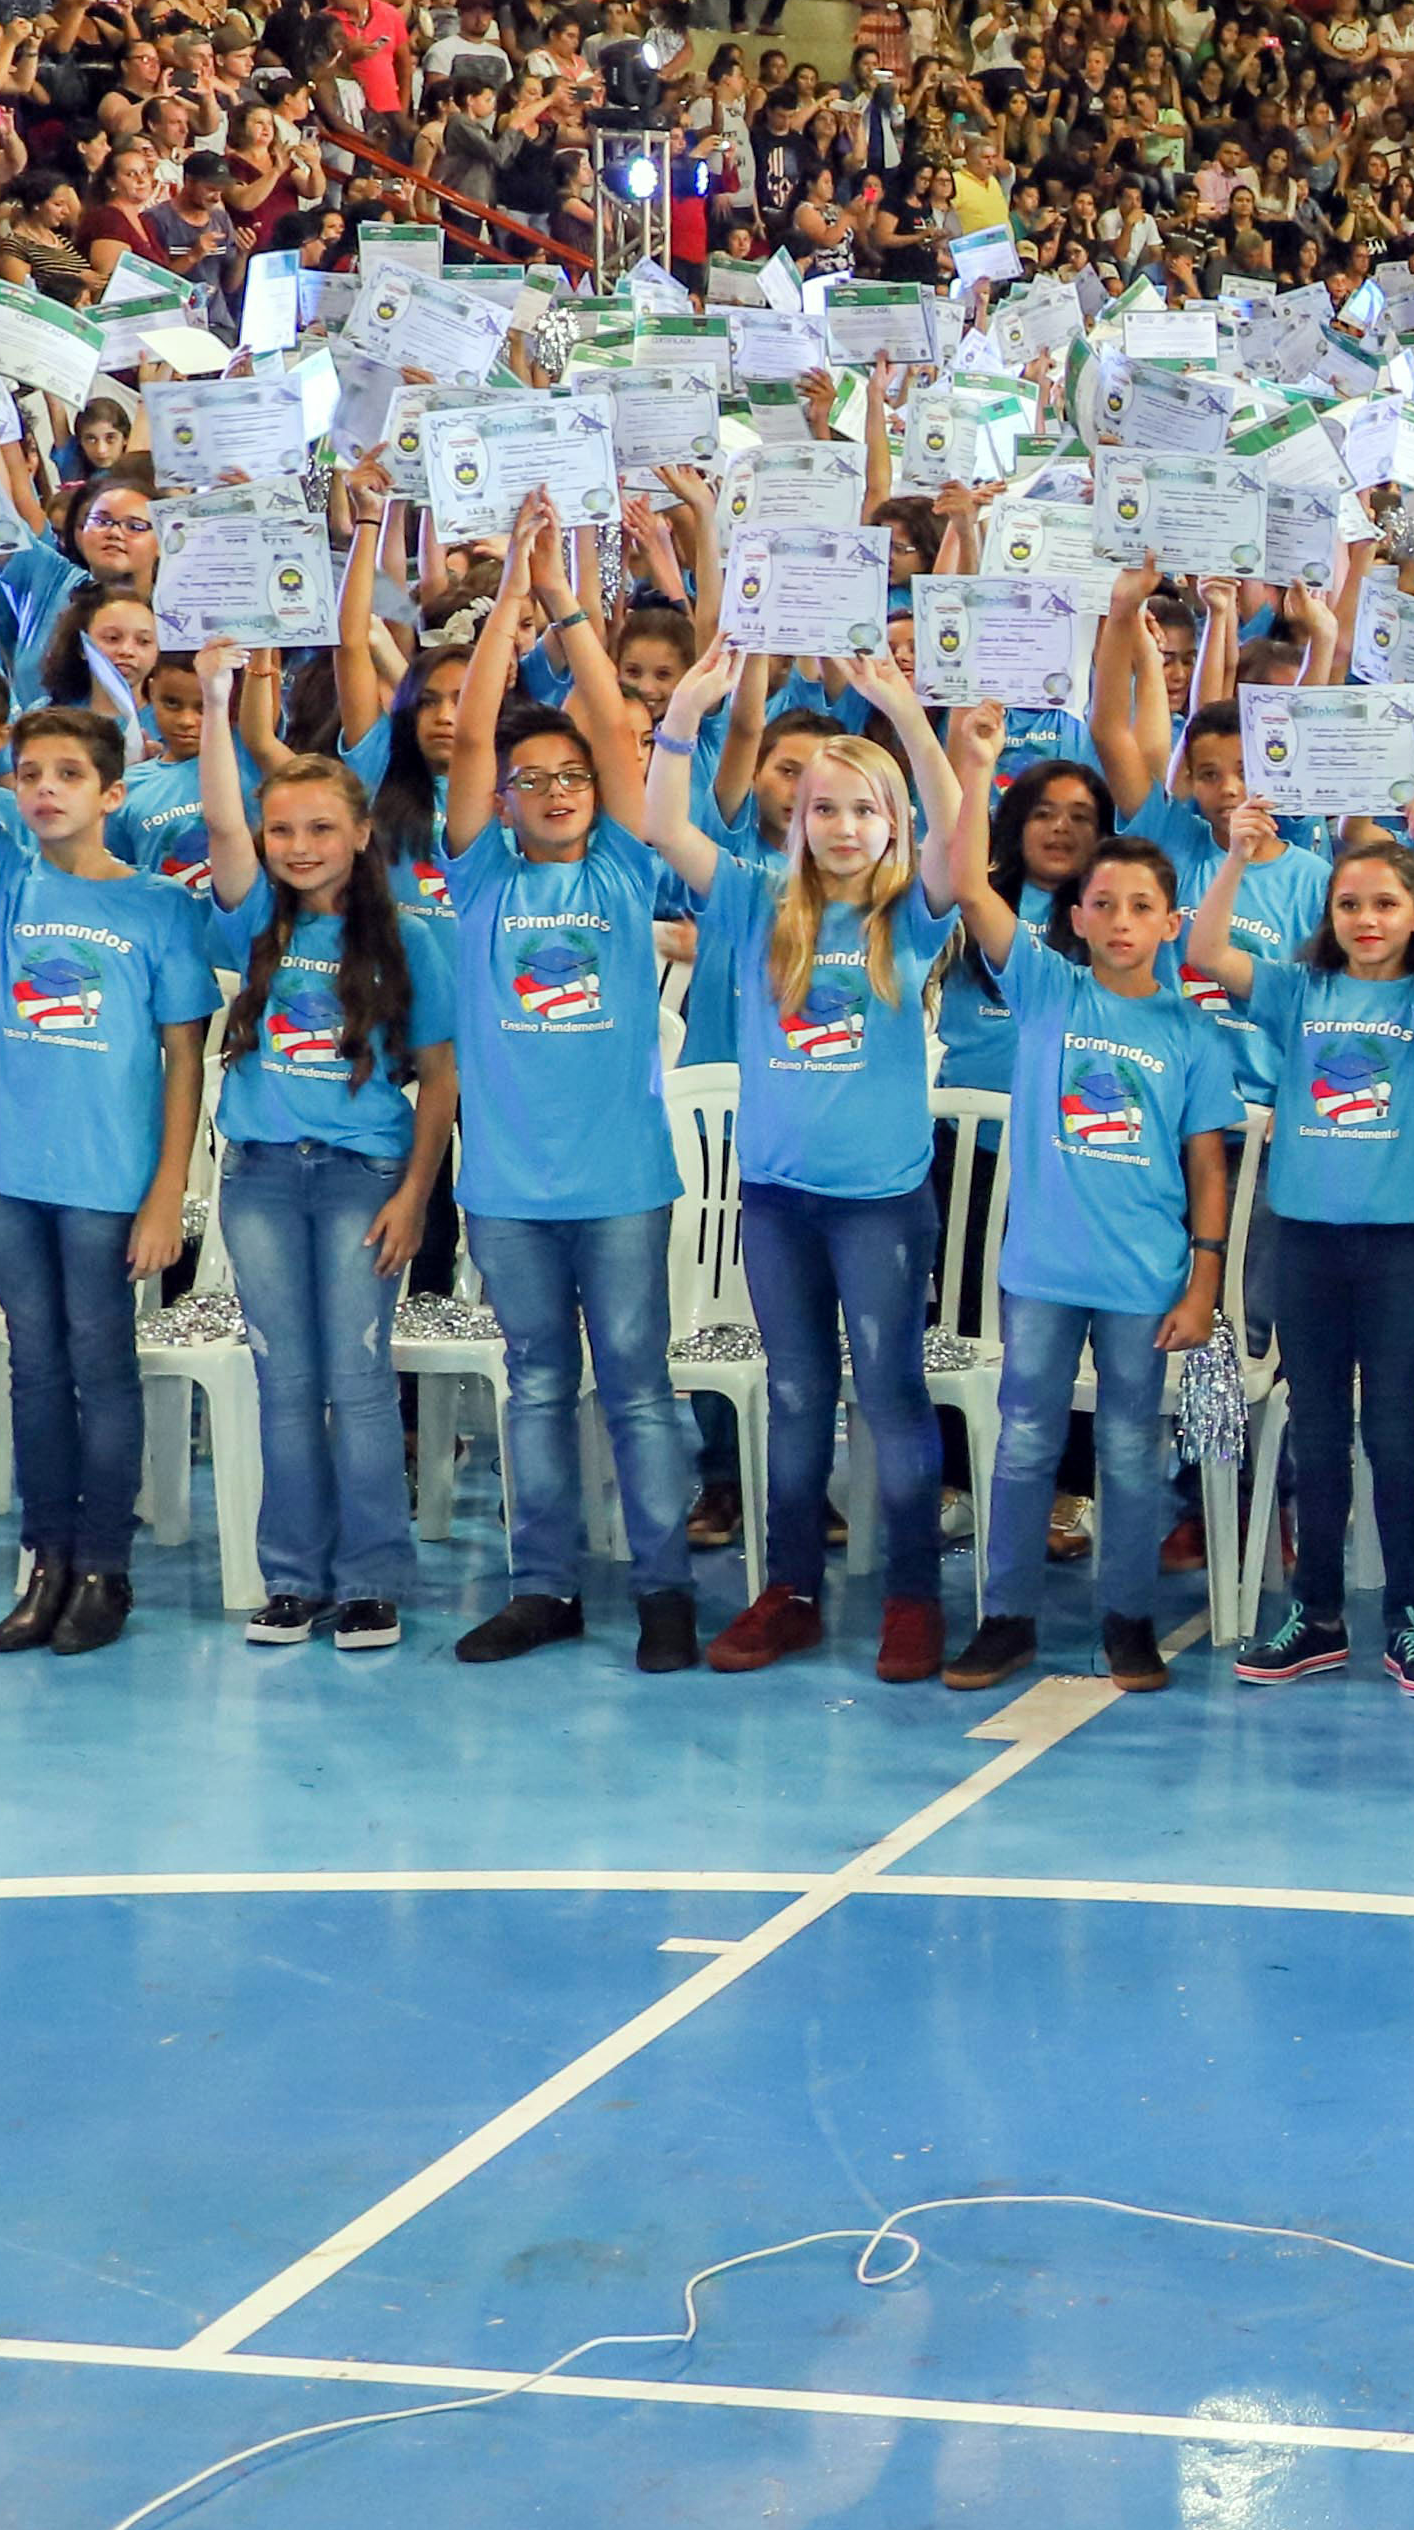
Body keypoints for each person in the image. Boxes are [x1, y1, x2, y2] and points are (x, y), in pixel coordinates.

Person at [0, 564, 211, 1658]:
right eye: (31, 775)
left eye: (70, 774)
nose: (46, 789)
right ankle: (46, 1560)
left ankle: (105, 1569)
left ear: (113, 792)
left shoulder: (160, 909)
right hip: (9, 1170)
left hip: (113, 1180)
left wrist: (168, 1191)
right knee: (34, 1366)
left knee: (101, 1365)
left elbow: (182, 1061)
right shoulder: (5, 880)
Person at [636, 660, 975, 1682]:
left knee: (890, 1394)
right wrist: (684, 717)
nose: (838, 825)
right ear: (795, 816)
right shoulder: (752, 901)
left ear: (891, 821)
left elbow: (958, 836)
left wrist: (914, 719)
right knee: (793, 1396)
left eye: (861, 809)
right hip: (777, 1201)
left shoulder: (909, 910)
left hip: (878, 1206)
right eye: (821, 805)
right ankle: (789, 1592)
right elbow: (663, 827)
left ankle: (912, 1598)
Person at [430, 512, 712, 1668]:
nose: (552, 788)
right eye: (528, 779)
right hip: (506, 1189)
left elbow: (608, 721)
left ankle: (664, 1591)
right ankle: (541, 1586)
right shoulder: (482, 870)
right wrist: (506, 615)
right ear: (500, 801)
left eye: (571, 778)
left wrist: (568, 598)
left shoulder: (623, 862)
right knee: (536, 1387)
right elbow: (467, 747)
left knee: (638, 1392)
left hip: (621, 1186)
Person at [1200, 785, 1414, 1693]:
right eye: (1350, 904)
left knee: (1392, 1436)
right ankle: (1316, 1614)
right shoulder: (1298, 988)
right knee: (1317, 1435)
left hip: (1399, 1251)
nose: (1366, 919)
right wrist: (1241, 855)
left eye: (1386, 905)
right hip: (1308, 1247)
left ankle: (1407, 1616)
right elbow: (1204, 950)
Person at [190, 692, 455, 1655]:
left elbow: (438, 1079)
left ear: (360, 833)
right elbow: (220, 819)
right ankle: (294, 1580)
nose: (299, 846)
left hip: (362, 1180)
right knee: (285, 1383)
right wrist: (221, 700)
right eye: (282, 830)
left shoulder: (411, 939)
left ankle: (372, 1579)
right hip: (259, 1179)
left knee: (360, 1379)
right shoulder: (253, 918)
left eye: (319, 828)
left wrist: (415, 1196)